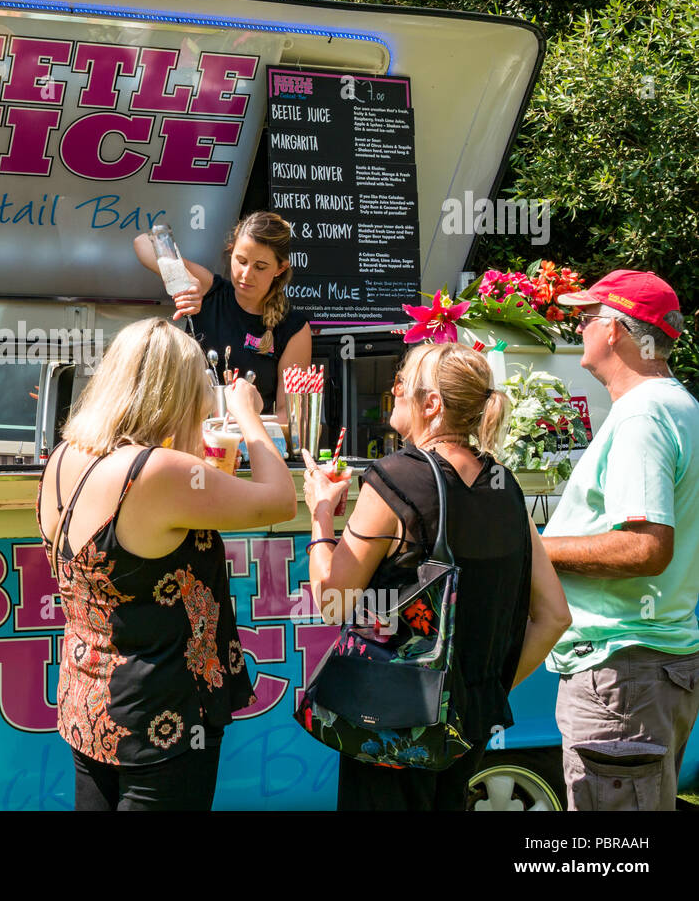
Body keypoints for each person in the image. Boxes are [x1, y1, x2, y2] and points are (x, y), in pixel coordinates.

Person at [37, 317, 296, 810]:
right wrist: (246, 413)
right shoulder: (155, 471)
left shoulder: (64, 458)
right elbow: (281, 500)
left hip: (88, 708)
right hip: (163, 720)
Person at [302, 341, 571, 810]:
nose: (395, 389)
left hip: (388, 722)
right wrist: (477, 694)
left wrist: (320, 514)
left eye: (403, 381)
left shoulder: (394, 479)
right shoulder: (505, 487)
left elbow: (331, 601)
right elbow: (554, 617)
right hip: (464, 730)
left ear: (433, 404)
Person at [538, 269, 698, 811]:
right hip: (644, 667)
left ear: (616, 331)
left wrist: (533, 549)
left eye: (588, 316)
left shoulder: (644, 414)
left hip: (623, 671)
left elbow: (645, 546)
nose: (579, 326)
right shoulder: (674, 404)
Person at [133, 211, 311, 416]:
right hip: (191, 436)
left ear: (280, 269)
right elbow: (143, 242)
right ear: (231, 252)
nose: (246, 274)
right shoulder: (210, 290)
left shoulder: (293, 328)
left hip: (252, 442)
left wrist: (240, 425)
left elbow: (289, 415)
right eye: (241, 261)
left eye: (260, 267)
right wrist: (187, 279)